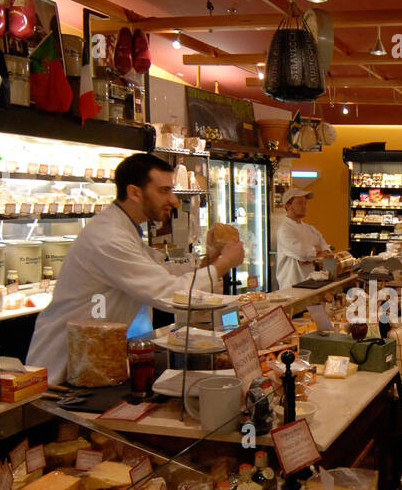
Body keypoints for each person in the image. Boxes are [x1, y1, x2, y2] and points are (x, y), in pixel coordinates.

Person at [28, 152, 245, 385]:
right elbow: (170, 294)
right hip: (63, 367)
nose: (173, 200)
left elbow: (164, 270)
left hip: (94, 358)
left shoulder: (124, 230)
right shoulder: (109, 237)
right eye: (164, 191)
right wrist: (224, 264)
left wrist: (210, 260)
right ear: (134, 192)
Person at [275, 186, 331, 289]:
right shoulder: (284, 230)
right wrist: (315, 252)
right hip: (292, 285)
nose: (304, 206)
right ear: (288, 206)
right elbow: (303, 253)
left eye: (305, 203)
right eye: (300, 203)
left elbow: (326, 251)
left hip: (313, 283)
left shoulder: (310, 228)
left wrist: (311, 257)